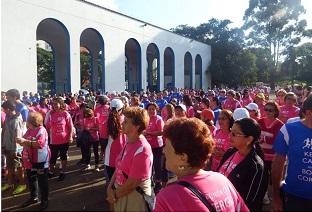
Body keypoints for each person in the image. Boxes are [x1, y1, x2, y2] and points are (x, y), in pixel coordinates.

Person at [154, 118, 249, 211]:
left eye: (167, 146)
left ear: (183, 157)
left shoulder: (168, 197)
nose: (163, 150)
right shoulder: (222, 180)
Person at [106, 107, 153, 211]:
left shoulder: (143, 149)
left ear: (137, 126)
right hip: (121, 192)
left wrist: (114, 195)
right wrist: (110, 187)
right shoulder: (129, 142)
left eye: (126, 122)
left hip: (134, 197)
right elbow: (119, 167)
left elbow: (133, 183)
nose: (122, 123)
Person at [217, 118, 268, 211]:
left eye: (234, 134)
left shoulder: (256, 167)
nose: (229, 135)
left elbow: (248, 202)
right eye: (230, 131)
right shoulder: (230, 152)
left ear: (249, 139)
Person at [272, 95, 312, 211]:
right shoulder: (289, 130)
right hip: (295, 196)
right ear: (309, 113)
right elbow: (277, 164)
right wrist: (276, 196)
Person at [16, 112, 50, 210]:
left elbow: (40, 144)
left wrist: (25, 142)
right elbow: (24, 140)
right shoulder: (29, 130)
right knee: (31, 180)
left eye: (28, 120)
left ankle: (45, 200)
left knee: (42, 181)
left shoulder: (42, 130)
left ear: (32, 122)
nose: (26, 122)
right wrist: (20, 141)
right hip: (29, 160)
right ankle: (33, 197)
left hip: (41, 161)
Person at [45, 97, 74, 181]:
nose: (54, 106)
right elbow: (47, 126)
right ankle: (51, 171)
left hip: (64, 140)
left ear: (60, 104)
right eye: (53, 104)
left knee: (63, 156)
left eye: (56, 104)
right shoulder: (50, 114)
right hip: (53, 140)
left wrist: (70, 137)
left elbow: (70, 126)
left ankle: (63, 172)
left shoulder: (65, 114)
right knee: (52, 157)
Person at [1, 101, 26, 195]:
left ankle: (22, 184)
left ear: (8, 109)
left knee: (19, 167)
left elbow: (18, 136)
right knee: (9, 166)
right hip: (8, 147)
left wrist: (17, 149)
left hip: (15, 149)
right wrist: (3, 146)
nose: (3, 111)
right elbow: (5, 133)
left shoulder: (16, 120)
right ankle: (10, 183)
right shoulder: (8, 118)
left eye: (4, 109)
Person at [144, 102, 165, 193]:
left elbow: (161, 132)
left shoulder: (159, 119)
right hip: (147, 146)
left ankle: (158, 183)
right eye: (150, 109)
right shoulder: (145, 119)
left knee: (157, 165)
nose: (152, 111)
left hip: (157, 146)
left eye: (153, 109)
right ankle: (150, 181)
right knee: (149, 164)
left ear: (156, 110)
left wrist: (149, 133)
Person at [104, 99, 126, 180]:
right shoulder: (126, 120)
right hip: (124, 152)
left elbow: (103, 136)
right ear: (122, 109)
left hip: (110, 155)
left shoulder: (107, 120)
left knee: (111, 181)